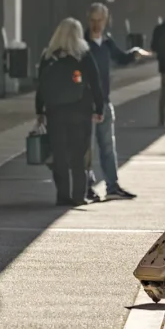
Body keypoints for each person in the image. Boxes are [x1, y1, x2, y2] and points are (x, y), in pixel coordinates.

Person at [36, 18, 105, 206]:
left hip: (55, 112)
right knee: (78, 155)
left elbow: (41, 86)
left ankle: (62, 195)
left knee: (59, 155)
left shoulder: (48, 56)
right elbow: (96, 83)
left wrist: (39, 111)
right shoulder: (83, 55)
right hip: (80, 111)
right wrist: (99, 108)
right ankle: (78, 196)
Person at [85, 3, 149, 200]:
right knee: (87, 150)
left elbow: (120, 58)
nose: (96, 25)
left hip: (104, 101)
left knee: (108, 147)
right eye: (93, 21)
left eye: (100, 21)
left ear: (106, 21)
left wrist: (134, 54)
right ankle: (87, 186)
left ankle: (112, 186)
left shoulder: (106, 41)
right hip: (86, 105)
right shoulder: (82, 44)